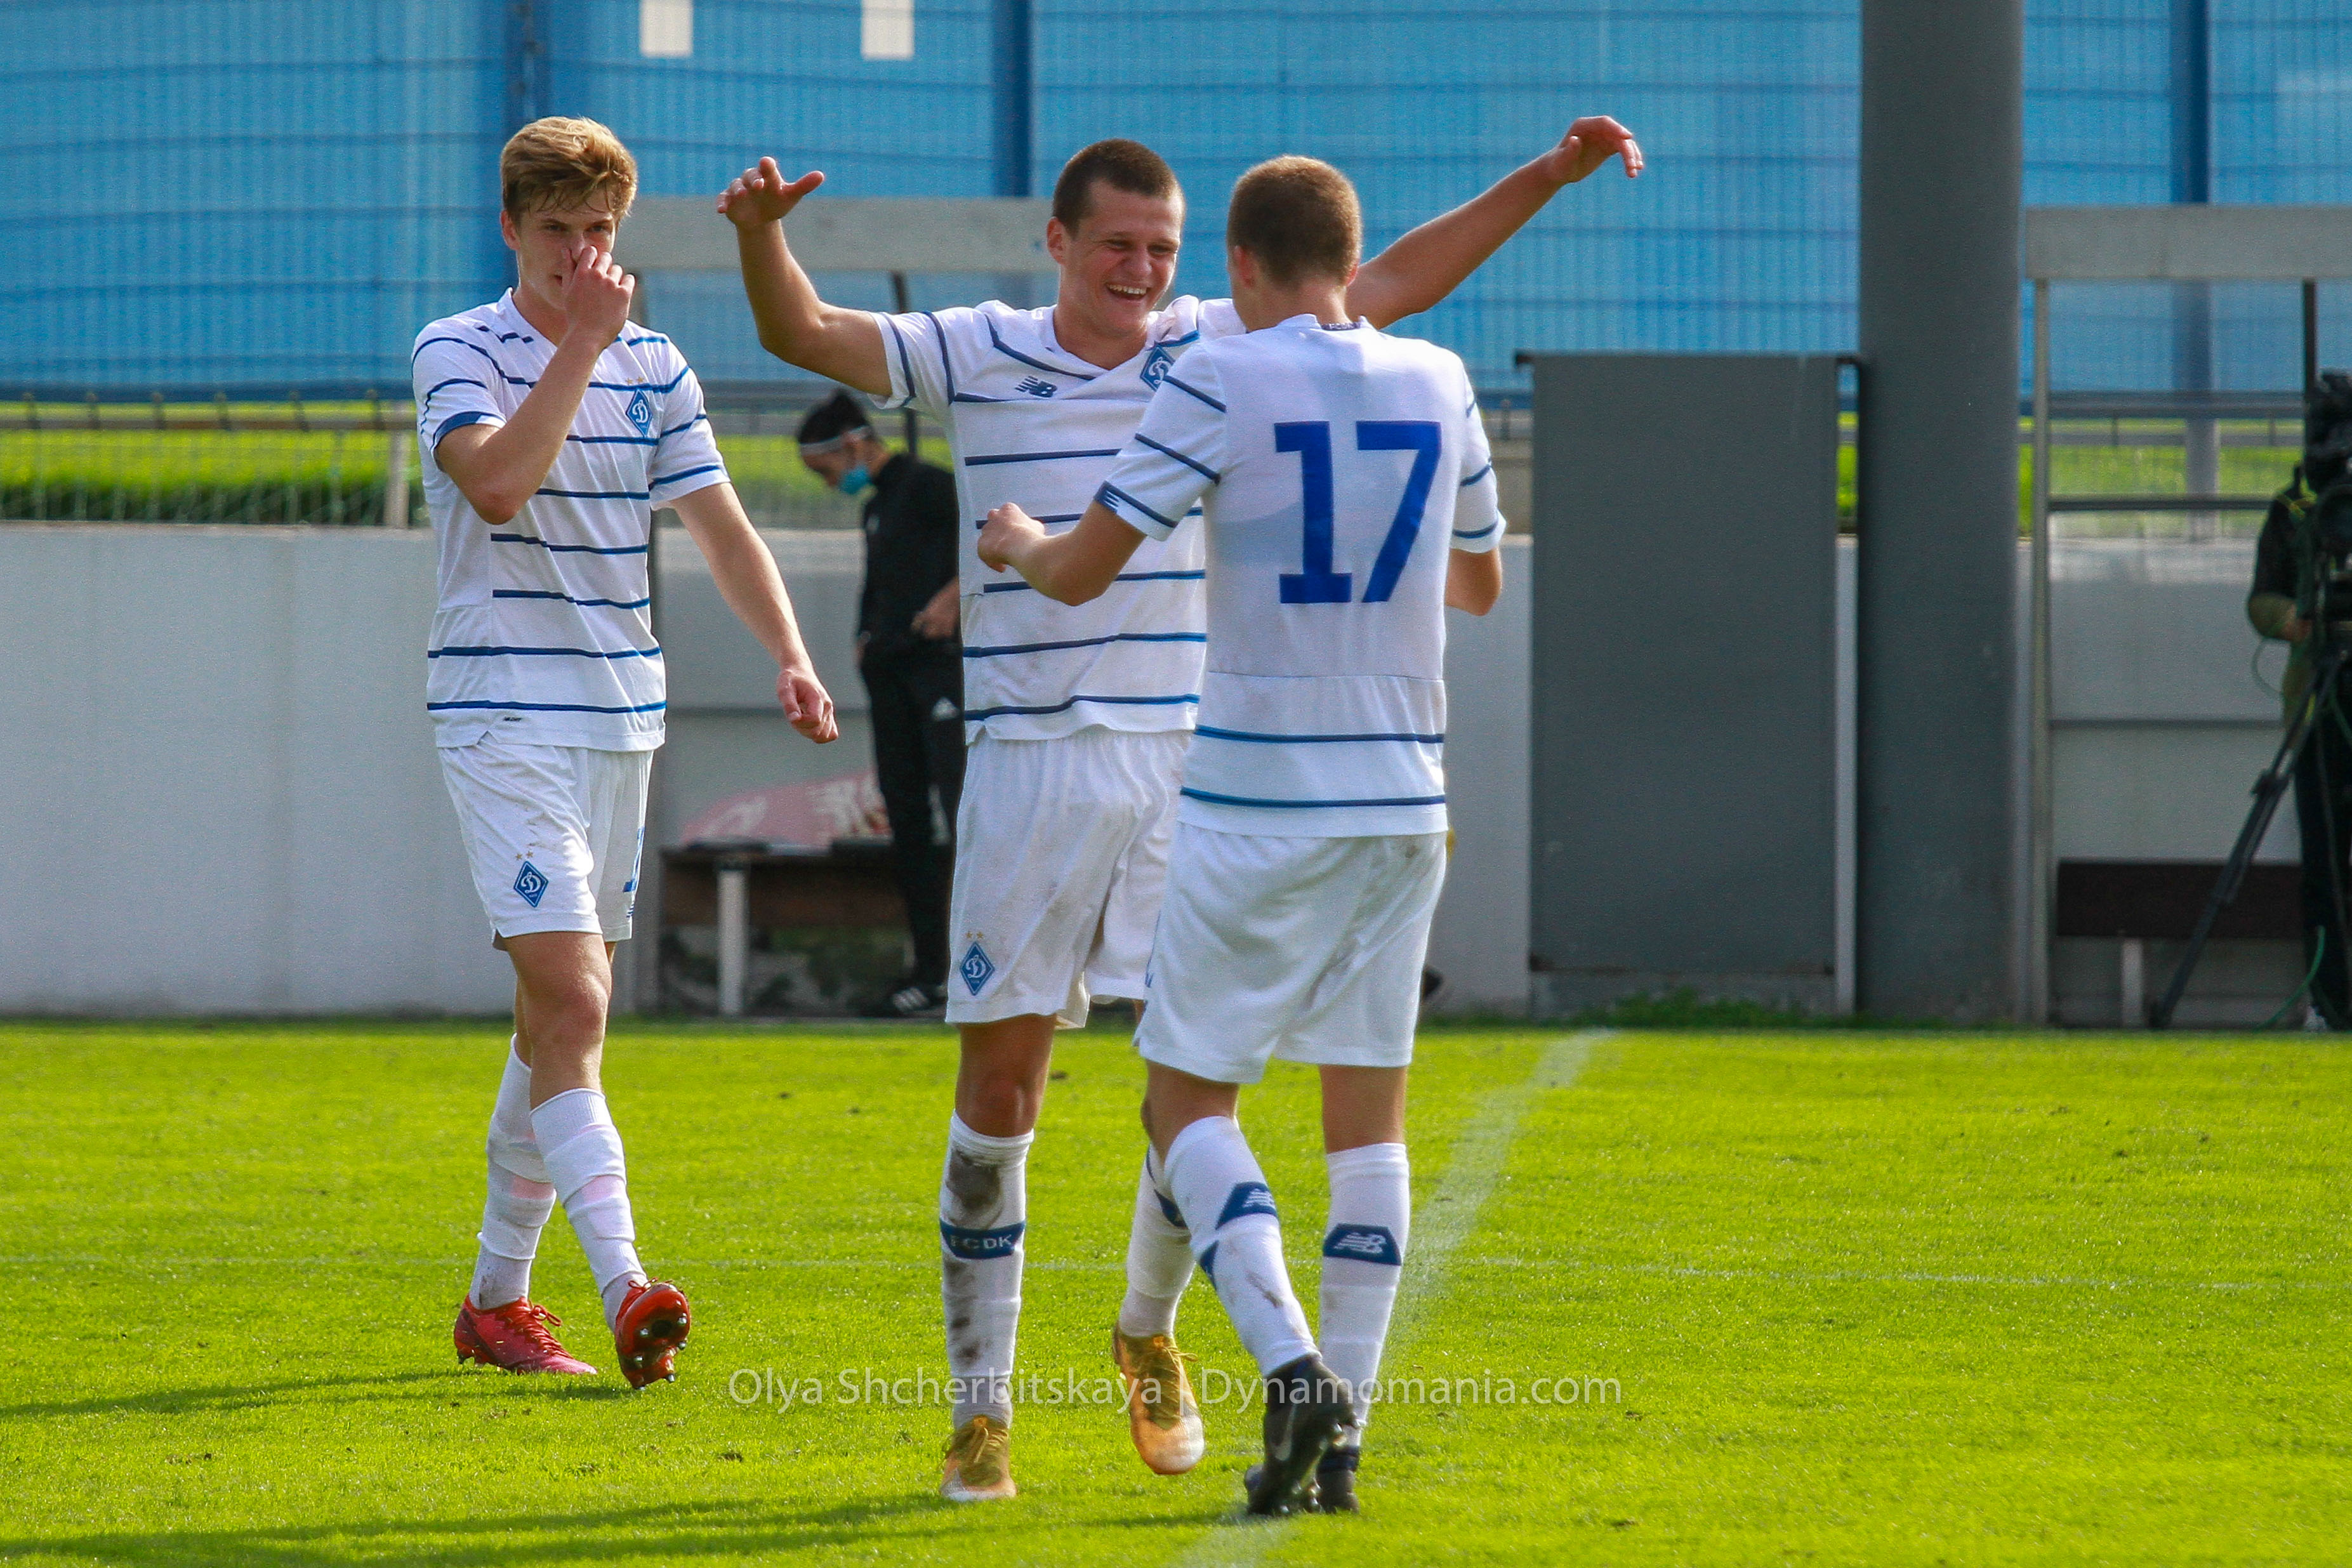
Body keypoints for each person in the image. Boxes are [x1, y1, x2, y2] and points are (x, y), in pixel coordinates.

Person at [720, 118, 1636, 1501]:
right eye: (1116, 246)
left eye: (1161, 247)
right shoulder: (975, 348)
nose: (1141, 272)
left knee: (1186, 1091)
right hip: (1033, 759)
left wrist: (1541, 179)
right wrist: (758, 239)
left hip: (1195, 767)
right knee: (999, 1095)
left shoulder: (1214, 346)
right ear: (1057, 242)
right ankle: (980, 1412)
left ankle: (1148, 1330)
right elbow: (806, 334)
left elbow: (1388, 279)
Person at [979, 152, 1505, 1515]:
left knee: (1184, 1103)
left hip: (1258, 799)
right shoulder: (1439, 377)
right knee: (1367, 1122)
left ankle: (1288, 1365)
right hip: (1405, 797)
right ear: (1351, 257)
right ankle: (1347, 1444)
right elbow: (1479, 583)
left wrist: (1018, 536)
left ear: (1242, 266)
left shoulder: (1217, 375)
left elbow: (1081, 570)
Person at [413, 117, 838, 1388]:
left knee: (555, 1018)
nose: (578, 255)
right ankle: (626, 1283)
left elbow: (721, 524)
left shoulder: (655, 364)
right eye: (555, 230)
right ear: (511, 229)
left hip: (620, 719)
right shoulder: (458, 347)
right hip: (502, 710)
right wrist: (580, 345)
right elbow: (497, 485)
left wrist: (791, 651)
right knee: (580, 1002)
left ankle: (496, 1299)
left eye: (598, 230)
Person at [796, 390, 965, 1017]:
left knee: (963, 810)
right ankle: (929, 973)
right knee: (908, 821)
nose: (831, 484)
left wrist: (951, 601)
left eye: (827, 470)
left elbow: (992, 542)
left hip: (940, 671)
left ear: (852, 443)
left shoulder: (930, 487)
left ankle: (977, 968)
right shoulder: (878, 506)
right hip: (892, 677)